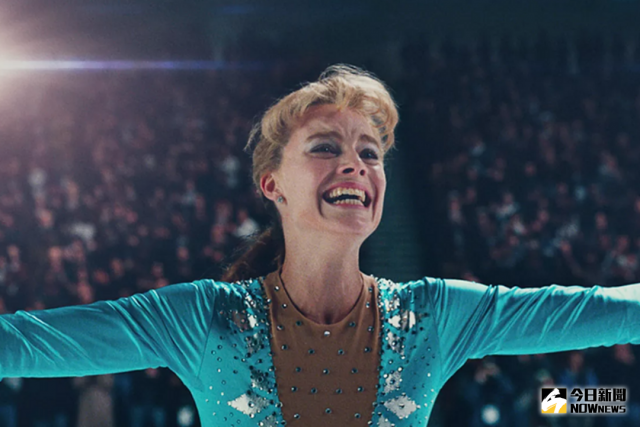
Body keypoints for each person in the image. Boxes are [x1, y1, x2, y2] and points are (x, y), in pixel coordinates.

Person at [1, 64, 640, 427]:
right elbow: (27, 342)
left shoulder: (435, 315)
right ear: (272, 184)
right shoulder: (203, 318)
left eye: (371, 153)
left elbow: (603, 309)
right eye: (326, 148)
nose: (356, 163)